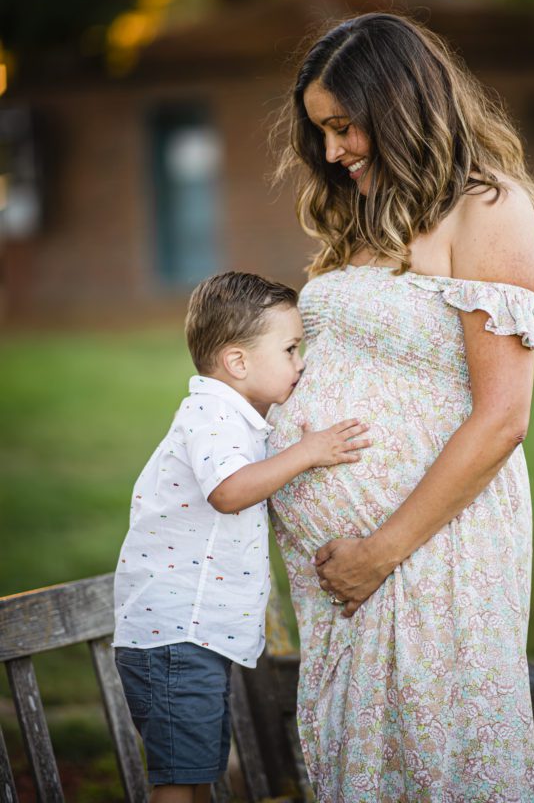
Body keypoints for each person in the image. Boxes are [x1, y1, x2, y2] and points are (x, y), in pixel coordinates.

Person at [267, 13, 534, 803]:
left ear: (398, 105)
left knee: (435, 757)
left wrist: (381, 550)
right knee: (362, 763)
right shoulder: (366, 217)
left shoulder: (488, 210)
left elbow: (503, 416)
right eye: (321, 133)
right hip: (342, 572)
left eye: (343, 127)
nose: (331, 152)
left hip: (427, 546)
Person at [112, 271, 370, 803]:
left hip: (188, 635)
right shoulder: (211, 414)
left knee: (195, 773)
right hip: (176, 637)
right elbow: (228, 492)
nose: (302, 364)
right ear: (237, 362)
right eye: (292, 349)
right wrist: (306, 453)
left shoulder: (236, 418)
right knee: (180, 784)